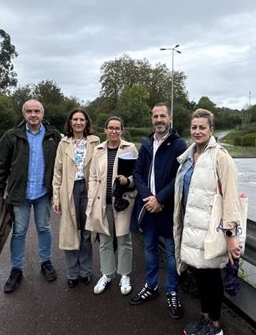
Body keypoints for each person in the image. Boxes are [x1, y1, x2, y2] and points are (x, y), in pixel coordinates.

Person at [173, 109, 244, 335]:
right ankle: (204, 318)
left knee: (212, 278)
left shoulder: (220, 158)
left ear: (211, 130)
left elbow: (231, 198)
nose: (197, 131)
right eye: (194, 127)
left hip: (211, 230)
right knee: (201, 277)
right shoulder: (188, 156)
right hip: (192, 228)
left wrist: (231, 236)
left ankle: (215, 325)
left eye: (202, 127)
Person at [0, 99, 61, 293]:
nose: (33, 114)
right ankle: (16, 269)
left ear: (42, 113)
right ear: (24, 114)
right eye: (29, 111)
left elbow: (62, 165)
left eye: (37, 111)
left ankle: (45, 262)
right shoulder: (12, 136)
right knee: (19, 232)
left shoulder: (53, 136)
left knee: (44, 228)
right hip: (20, 193)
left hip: (42, 192)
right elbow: (1, 165)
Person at [130, 103, 187, 319]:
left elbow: (179, 177)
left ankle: (172, 291)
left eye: (163, 116)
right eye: (155, 116)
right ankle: (151, 286)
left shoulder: (179, 145)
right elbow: (137, 173)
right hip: (148, 207)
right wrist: (148, 198)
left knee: (172, 254)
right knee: (150, 248)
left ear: (170, 119)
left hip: (168, 208)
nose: (159, 119)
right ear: (151, 119)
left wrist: (160, 198)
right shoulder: (145, 144)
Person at [85, 117, 138, 295]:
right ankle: (107, 274)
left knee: (124, 240)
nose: (114, 131)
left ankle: (124, 275)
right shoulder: (98, 150)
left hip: (122, 202)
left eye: (117, 128)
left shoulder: (130, 148)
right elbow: (92, 176)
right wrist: (92, 195)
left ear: (122, 130)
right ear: (105, 130)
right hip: (102, 202)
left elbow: (138, 175)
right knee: (105, 241)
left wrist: (127, 180)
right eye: (110, 128)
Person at [52, 108, 100, 288]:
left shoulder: (94, 142)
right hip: (69, 190)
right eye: (75, 119)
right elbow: (57, 172)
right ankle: (72, 273)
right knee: (70, 233)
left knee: (87, 233)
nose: (78, 122)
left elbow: (100, 168)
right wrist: (56, 198)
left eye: (82, 119)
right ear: (70, 122)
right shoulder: (64, 144)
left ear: (86, 122)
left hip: (88, 190)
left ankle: (85, 271)